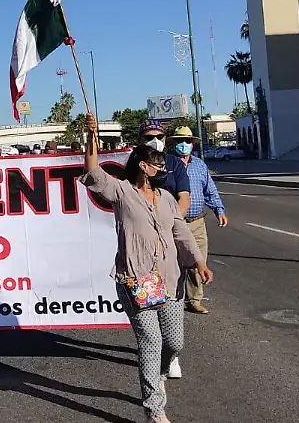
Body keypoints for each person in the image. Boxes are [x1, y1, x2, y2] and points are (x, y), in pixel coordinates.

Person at [81, 112, 212, 423]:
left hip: (170, 280)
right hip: (137, 280)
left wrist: (198, 262)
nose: (162, 167)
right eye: (157, 162)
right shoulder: (122, 192)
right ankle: (155, 409)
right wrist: (91, 136)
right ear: (143, 165)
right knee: (150, 341)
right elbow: (92, 170)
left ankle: (165, 368)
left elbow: (179, 230)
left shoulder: (165, 198)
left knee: (174, 341)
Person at [168, 128, 227, 319]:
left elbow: (210, 190)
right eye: (180, 140)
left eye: (187, 141)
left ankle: (194, 300)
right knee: (173, 262)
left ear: (193, 144)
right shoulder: (167, 164)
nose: (184, 144)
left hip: (196, 221)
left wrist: (219, 209)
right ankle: (171, 299)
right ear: (173, 143)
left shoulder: (200, 166)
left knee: (197, 260)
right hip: (174, 222)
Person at [140, 120, 192, 216]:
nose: (155, 141)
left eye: (159, 137)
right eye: (149, 137)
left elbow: (184, 199)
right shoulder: (132, 163)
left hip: (170, 222)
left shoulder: (175, 163)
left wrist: (173, 223)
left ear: (164, 139)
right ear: (140, 140)